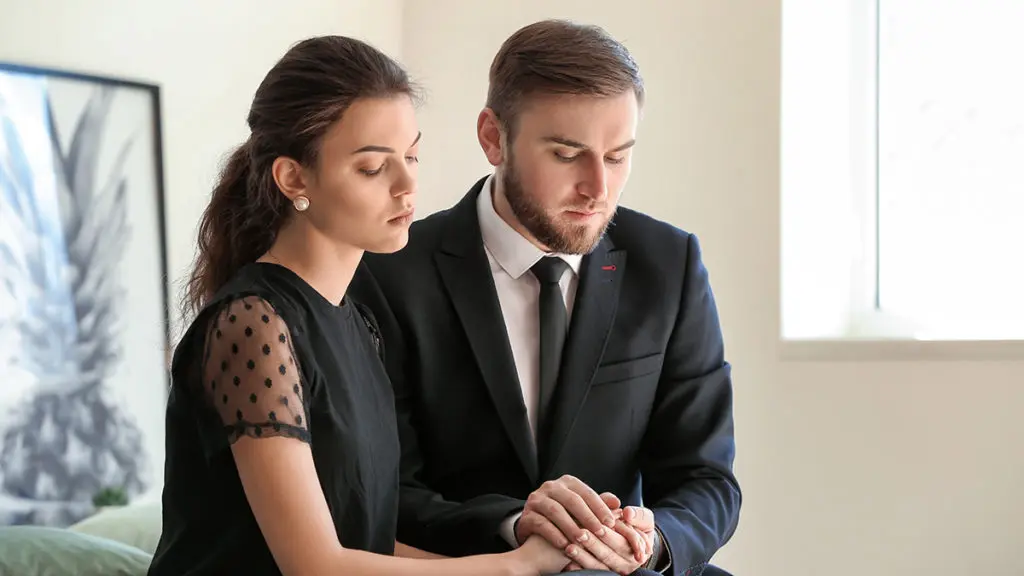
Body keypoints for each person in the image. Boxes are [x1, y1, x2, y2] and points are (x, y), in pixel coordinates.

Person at [148, 35, 575, 576]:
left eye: (412, 156)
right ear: (293, 177)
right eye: (373, 168)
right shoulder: (253, 325)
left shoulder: (358, 321)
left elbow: (366, 545)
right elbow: (316, 566)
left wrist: (522, 560)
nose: (407, 186)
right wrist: (517, 569)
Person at [348, 19, 741, 576]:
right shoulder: (390, 274)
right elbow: (385, 491)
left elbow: (707, 479)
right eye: (566, 154)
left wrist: (650, 544)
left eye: (617, 156)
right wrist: (514, 526)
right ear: (493, 137)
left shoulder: (669, 264)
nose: (597, 190)